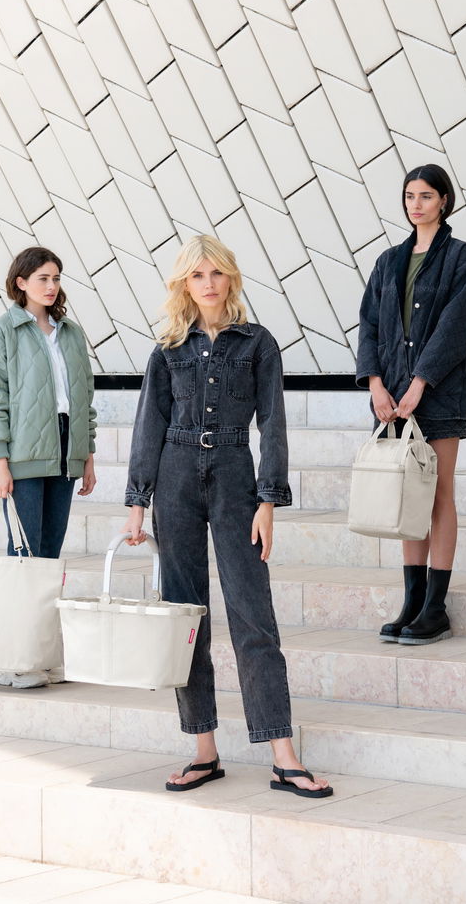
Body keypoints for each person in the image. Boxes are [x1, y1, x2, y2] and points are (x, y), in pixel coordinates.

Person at [123, 235, 332, 798]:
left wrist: (269, 502)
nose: (208, 283)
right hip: (175, 476)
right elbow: (149, 425)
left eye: (216, 273)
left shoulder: (258, 344)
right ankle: (204, 750)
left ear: (231, 279)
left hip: (237, 476)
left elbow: (276, 426)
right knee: (186, 617)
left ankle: (282, 755)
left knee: (253, 615)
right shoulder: (167, 349)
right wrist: (137, 501)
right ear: (184, 285)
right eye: (197, 275)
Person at [356, 164, 466, 645]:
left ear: (444, 201)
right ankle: (411, 600)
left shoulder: (461, 259)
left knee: (439, 493)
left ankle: (436, 605)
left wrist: (419, 384)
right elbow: (369, 323)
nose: (416, 204)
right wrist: (374, 383)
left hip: (439, 396)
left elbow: (456, 328)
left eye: (426, 195)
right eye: (410, 195)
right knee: (408, 493)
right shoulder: (388, 260)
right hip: (389, 396)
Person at [0, 246, 97, 688]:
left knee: (47, 558)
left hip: (64, 454)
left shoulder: (71, 333)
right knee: (24, 558)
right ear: (21, 282)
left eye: (56, 278)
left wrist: (87, 455)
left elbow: (83, 399)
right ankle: (16, 658)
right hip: (21, 459)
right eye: (43, 277)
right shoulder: (0, 334)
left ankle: (39, 654)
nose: (51, 285)